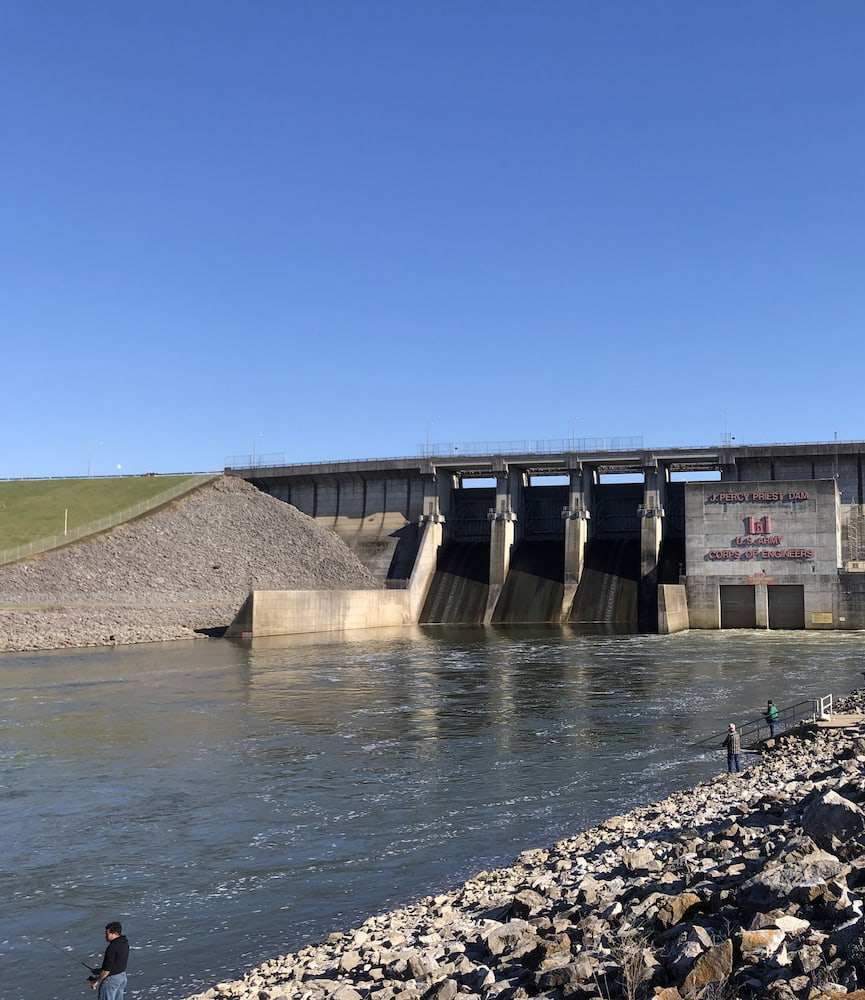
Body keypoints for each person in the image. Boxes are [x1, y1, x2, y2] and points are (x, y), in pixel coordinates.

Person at [91, 922, 129, 999]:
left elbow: (106, 971)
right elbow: (117, 963)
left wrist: (96, 981)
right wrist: (99, 971)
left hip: (111, 981)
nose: (105, 936)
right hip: (122, 977)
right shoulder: (124, 943)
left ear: (115, 934)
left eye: (107, 934)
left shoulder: (112, 947)